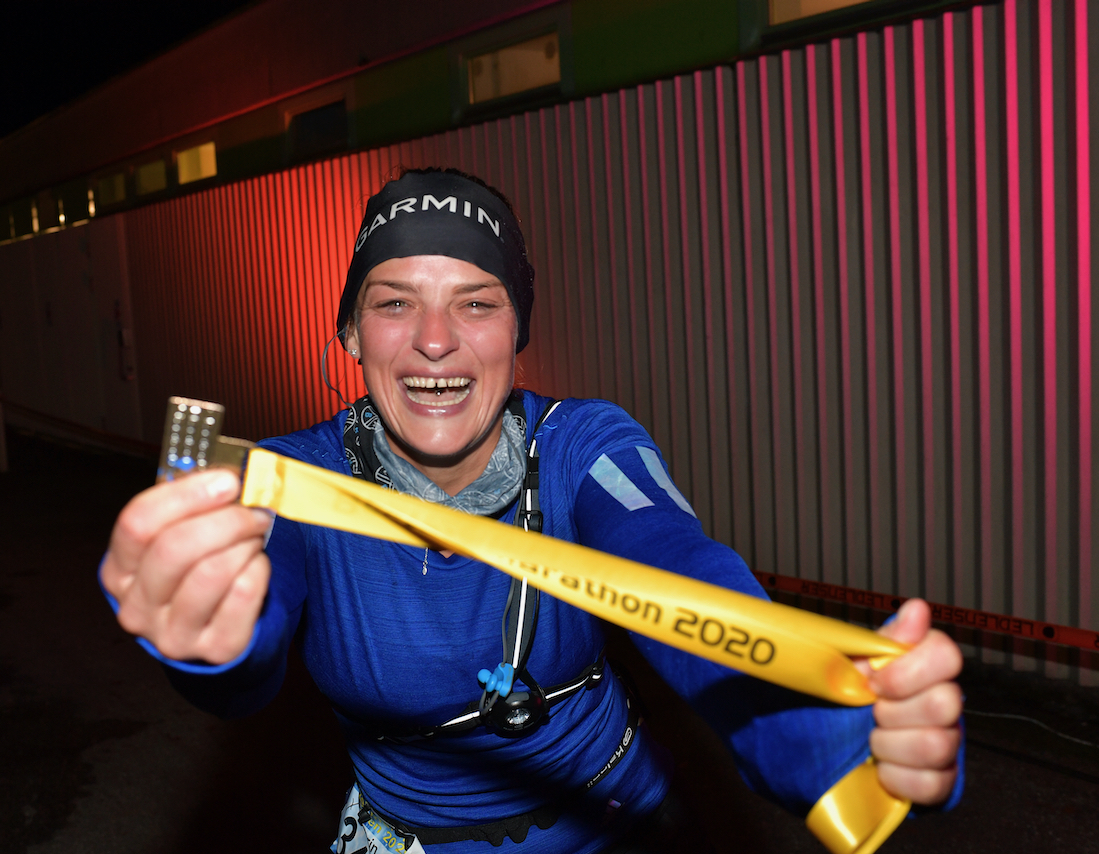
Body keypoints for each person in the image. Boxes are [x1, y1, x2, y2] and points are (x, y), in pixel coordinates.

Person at [100, 169, 963, 853]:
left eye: (477, 303)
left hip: (621, 824)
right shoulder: (291, 479)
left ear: (518, 332)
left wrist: (825, 729)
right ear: (351, 335)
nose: (435, 339)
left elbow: (679, 570)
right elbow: (247, 648)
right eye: (395, 302)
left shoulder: (587, 445)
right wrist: (205, 628)